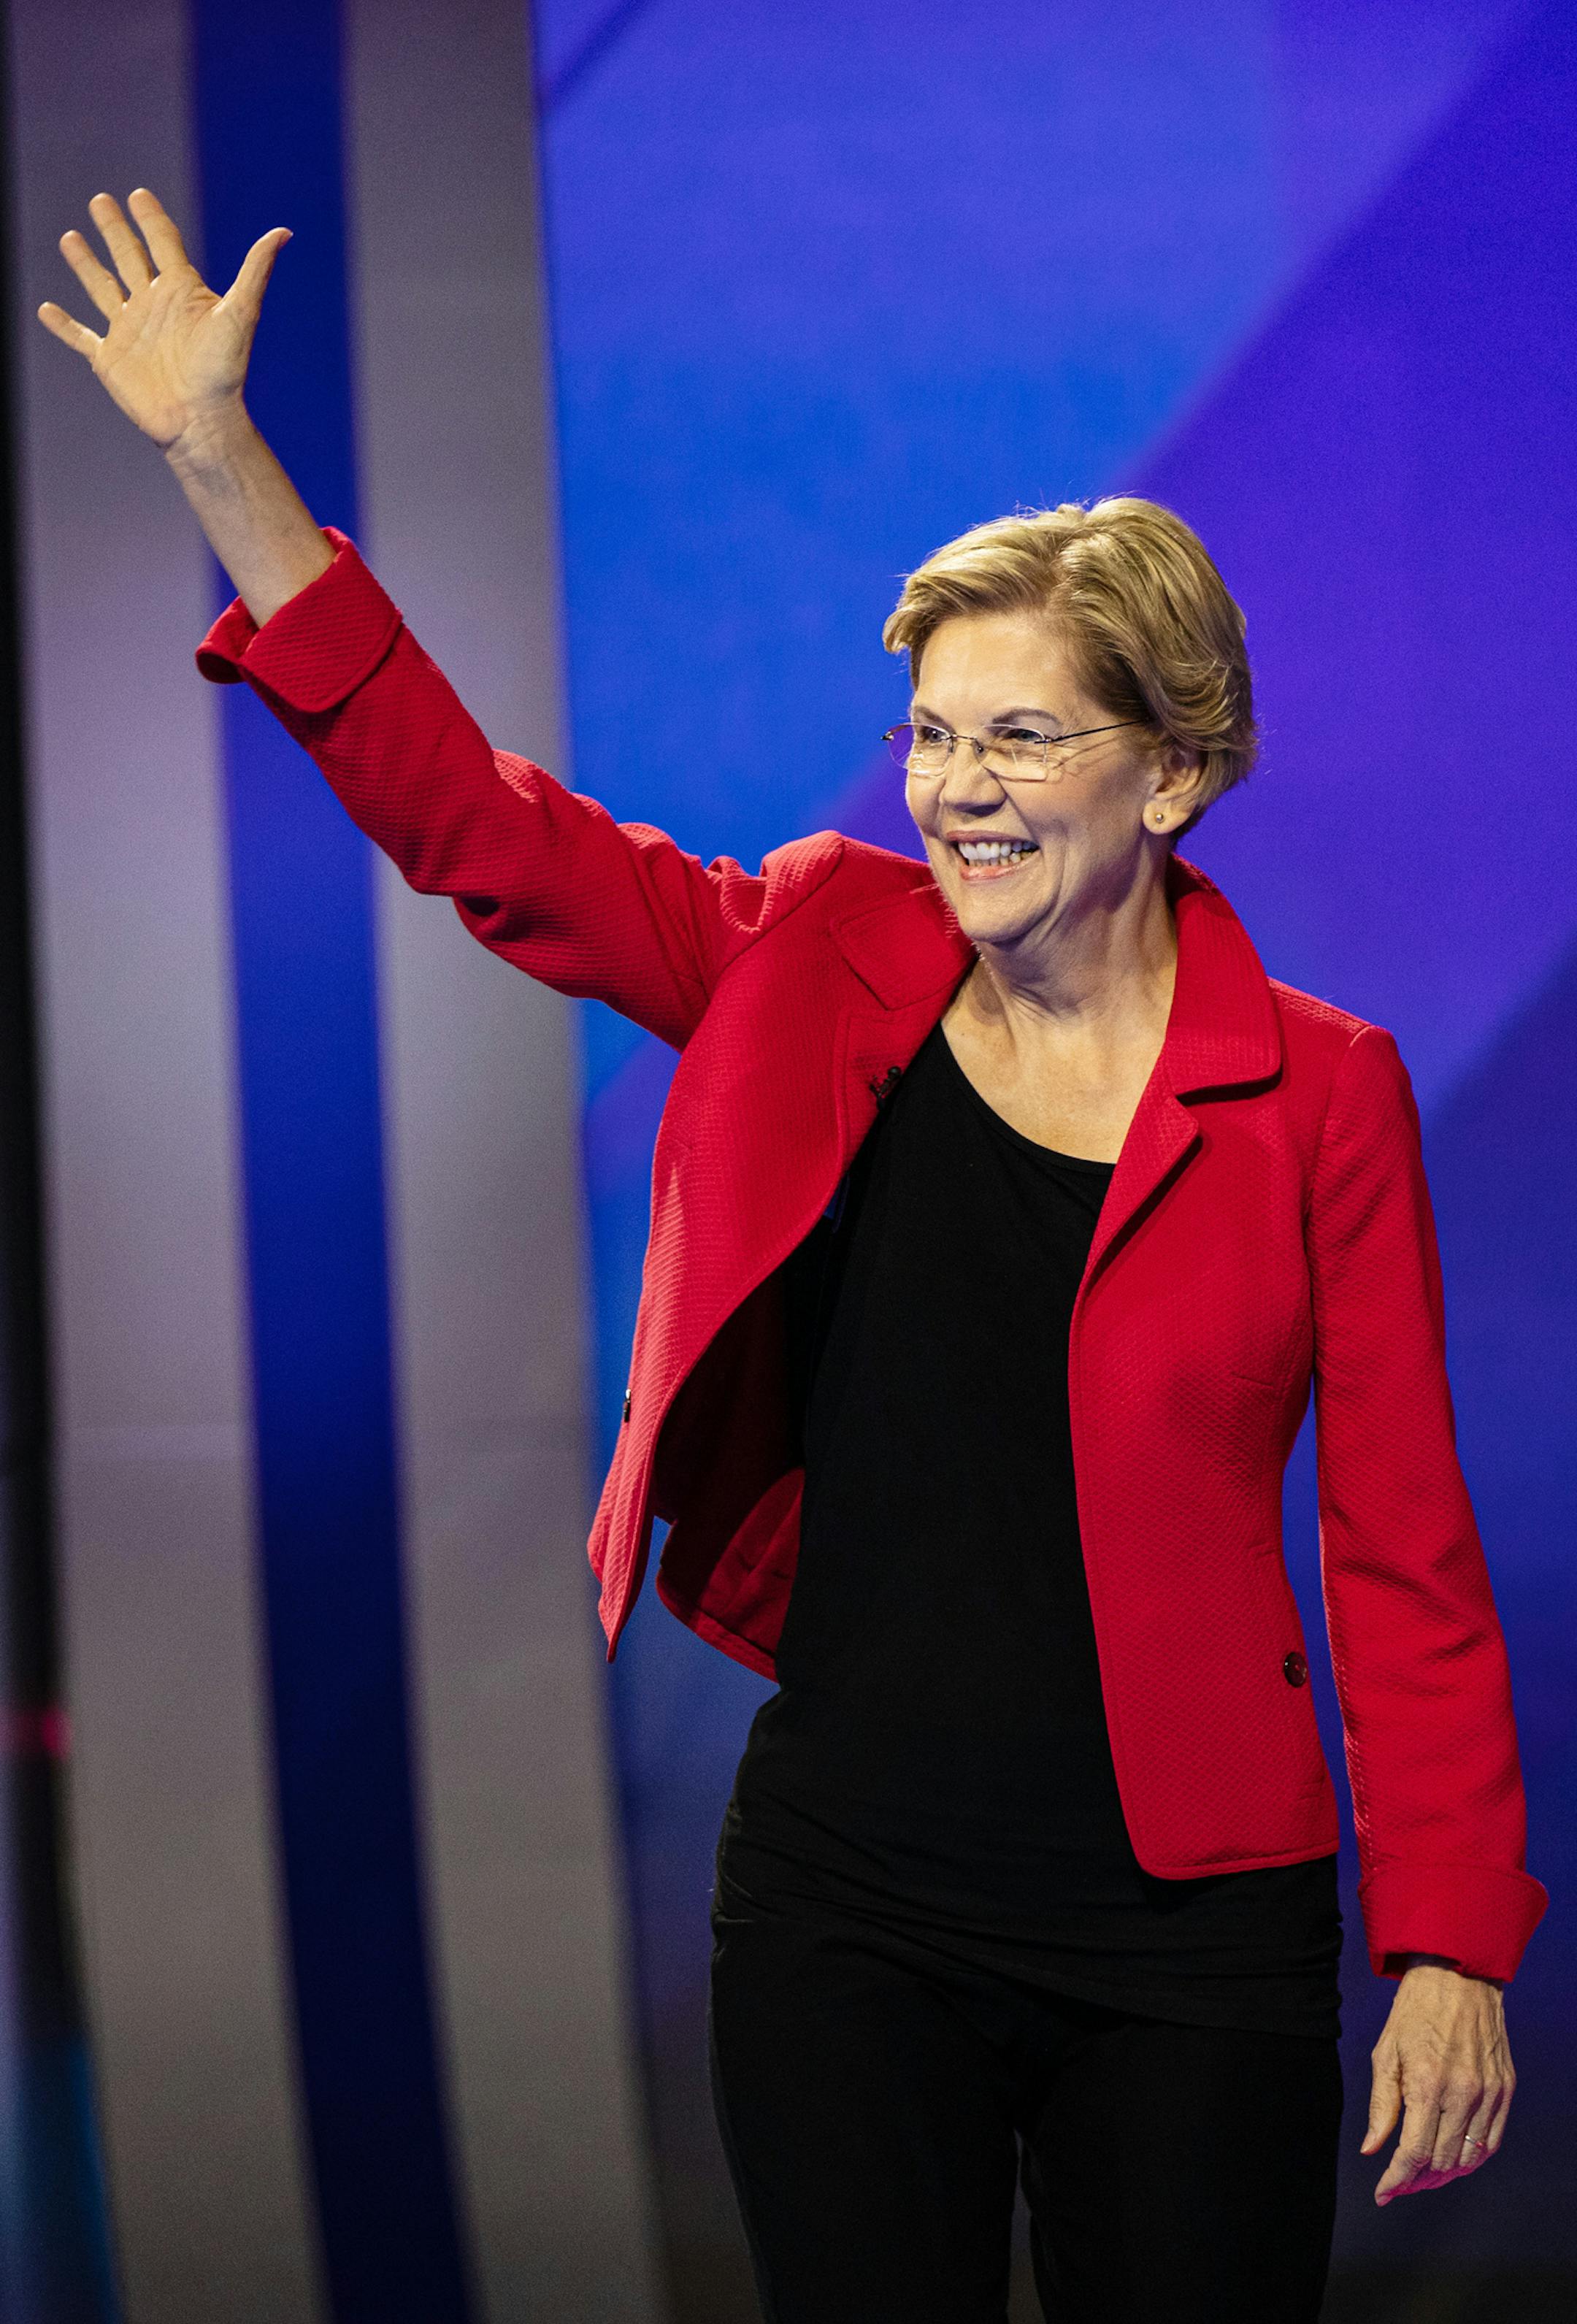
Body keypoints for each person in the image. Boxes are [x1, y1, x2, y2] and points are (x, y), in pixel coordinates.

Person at [42, 191, 1545, 2324]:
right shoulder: (814, 953)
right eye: (935, 732)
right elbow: (482, 832)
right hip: (850, 1901)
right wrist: (223, 466)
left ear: (1181, 775)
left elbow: (1406, 1546)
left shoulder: (1321, 1092)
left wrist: (1453, 1939)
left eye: (1021, 736)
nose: (958, 789)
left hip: (1192, 1931)